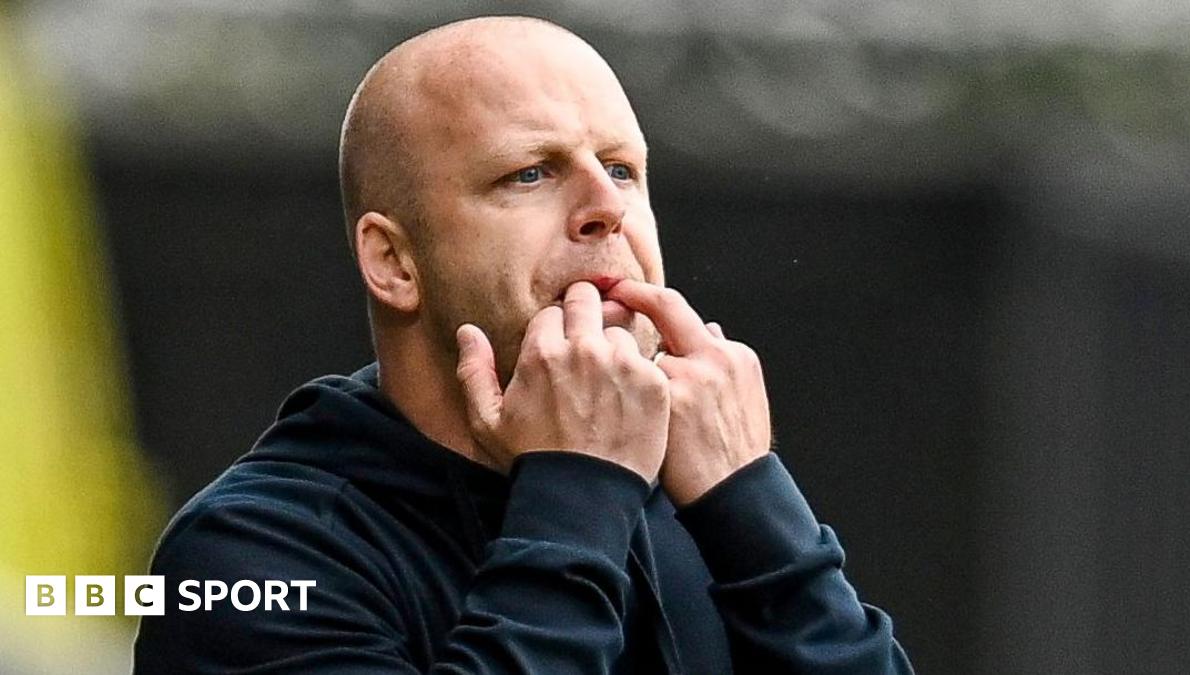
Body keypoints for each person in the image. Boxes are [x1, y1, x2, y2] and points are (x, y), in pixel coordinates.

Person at [134, 15, 913, 674]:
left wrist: (757, 510)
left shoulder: (701, 503)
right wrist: (574, 496)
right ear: (393, 262)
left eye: (621, 168)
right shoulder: (248, 559)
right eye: (531, 173)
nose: (605, 208)